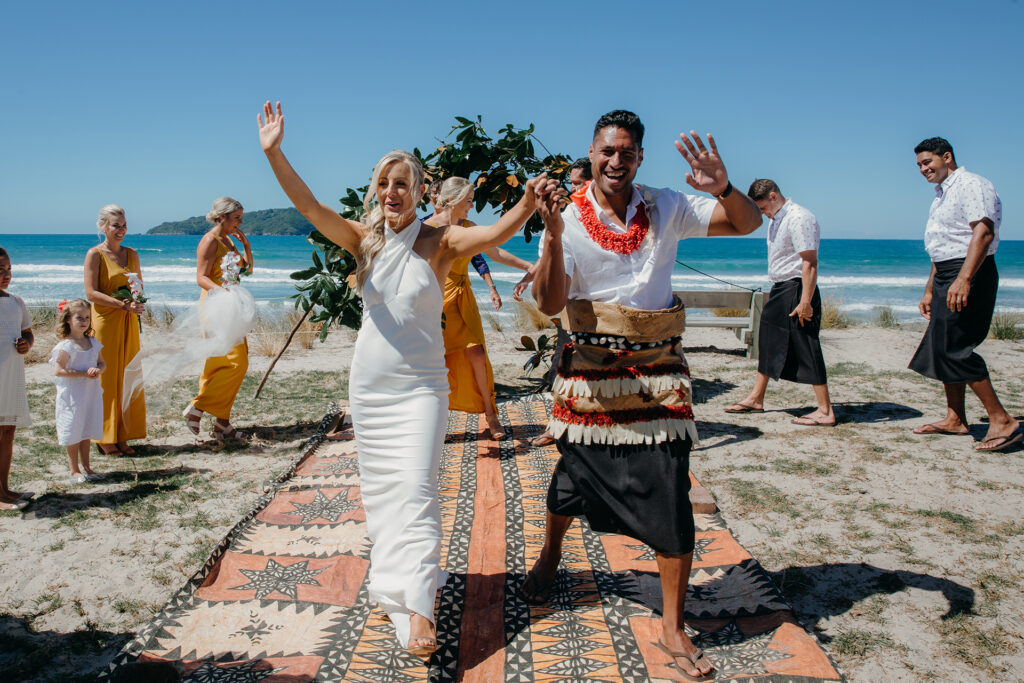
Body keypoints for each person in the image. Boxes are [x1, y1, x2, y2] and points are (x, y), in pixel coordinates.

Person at [257, 101, 556, 655]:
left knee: (417, 489)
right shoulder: (362, 240)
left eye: (403, 183)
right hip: (370, 388)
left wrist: (528, 201)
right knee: (384, 495)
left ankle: (419, 608)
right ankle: (397, 584)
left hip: (421, 389)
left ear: (420, 191)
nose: (393, 192)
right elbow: (308, 204)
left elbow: (496, 233)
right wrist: (275, 152)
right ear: (376, 191)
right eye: (384, 184)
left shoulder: (440, 241)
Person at [525, 110, 762, 681]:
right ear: (592, 150)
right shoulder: (566, 214)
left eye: (627, 152)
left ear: (639, 157)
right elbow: (551, 303)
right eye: (607, 150)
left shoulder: (668, 205)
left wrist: (725, 186)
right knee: (575, 474)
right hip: (590, 373)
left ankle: (672, 625)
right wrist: (554, 235)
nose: (616, 160)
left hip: (659, 374)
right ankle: (552, 552)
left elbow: (747, 223)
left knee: (670, 489)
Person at [908, 137, 1020, 451]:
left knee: (955, 347)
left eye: (928, 162)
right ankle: (955, 419)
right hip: (947, 272)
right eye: (919, 165)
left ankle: (1002, 420)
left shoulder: (972, 184)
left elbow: (982, 232)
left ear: (947, 157)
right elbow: (942, 246)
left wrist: (964, 279)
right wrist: (931, 288)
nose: (923, 169)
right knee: (941, 344)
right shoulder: (942, 195)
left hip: (971, 271)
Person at [425, 177, 535, 439]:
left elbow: (494, 253)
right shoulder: (425, 229)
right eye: (468, 202)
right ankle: (434, 422)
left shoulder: (468, 226)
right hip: (434, 301)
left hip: (463, 299)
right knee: (435, 362)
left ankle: (491, 413)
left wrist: (529, 266)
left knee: (476, 354)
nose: (471, 207)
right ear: (452, 200)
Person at [725, 179, 834, 425]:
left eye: (762, 208)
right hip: (780, 288)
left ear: (773, 196)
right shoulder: (777, 219)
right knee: (768, 341)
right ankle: (756, 398)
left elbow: (810, 262)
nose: (762, 214)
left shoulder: (799, 217)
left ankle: (825, 410)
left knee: (806, 344)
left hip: (797, 288)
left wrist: (805, 301)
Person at [528, 157, 593, 448]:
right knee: (563, 369)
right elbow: (550, 265)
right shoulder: (562, 222)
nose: (572, 189)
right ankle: (557, 426)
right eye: (572, 184)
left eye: (578, 183)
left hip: (604, 316)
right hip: (572, 312)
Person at [182, 197, 254, 440]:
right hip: (215, 305)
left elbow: (246, 268)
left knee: (229, 362)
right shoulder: (209, 241)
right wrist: (221, 292)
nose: (240, 223)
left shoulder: (229, 240)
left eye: (241, 219)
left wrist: (246, 246)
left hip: (230, 305)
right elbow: (201, 277)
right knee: (232, 362)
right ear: (221, 217)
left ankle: (222, 424)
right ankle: (199, 406)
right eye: (236, 219)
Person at [84, 205, 146, 457]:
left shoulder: (132, 254)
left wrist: (139, 303)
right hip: (105, 322)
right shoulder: (95, 254)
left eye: (123, 225)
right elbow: (90, 293)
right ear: (103, 227)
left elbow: (138, 285)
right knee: (107, 379)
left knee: (128, 375)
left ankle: (123, 434)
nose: (120, 230)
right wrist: (122, 304)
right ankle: (103, 436)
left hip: (129, 321)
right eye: (115, 225)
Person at [51, 299, 106, 483]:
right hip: (73, 395)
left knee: (86, 428)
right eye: (79, 317)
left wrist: (98, 369)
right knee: (73, 429)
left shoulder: (93, 342)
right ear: (68, 319)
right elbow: (58, 370)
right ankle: (74, 469)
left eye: (87, 318)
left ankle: (87, 466)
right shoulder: (65, 346)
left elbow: (102, 362)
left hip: (90, 393)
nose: (84, 321)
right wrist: (82, 373)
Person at [0, 247, 34, 511]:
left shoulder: (16, 301)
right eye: (0, 270)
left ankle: (4, 488)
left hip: (11, 375)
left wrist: (26, 344)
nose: (6, 274)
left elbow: (27, 331)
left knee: (8, 431)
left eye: (9, 269)